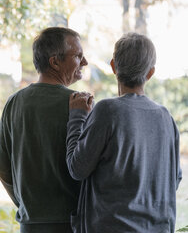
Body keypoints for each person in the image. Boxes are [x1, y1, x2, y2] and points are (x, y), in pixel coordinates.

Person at [66, 32, 182, 233]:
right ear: (151, 73)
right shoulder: (166, 118)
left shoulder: (107, 111)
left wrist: (77, 116)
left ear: (113, 66)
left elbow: (77, 168)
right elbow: (175, 179)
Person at [0, 27, 88, 233]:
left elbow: (3, 170)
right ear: (54, 62)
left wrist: (27, 206)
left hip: (29, 225)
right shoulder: (80, 105)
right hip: (71, 225)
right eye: (78, 56)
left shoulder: (14, 103)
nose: (85, 62)